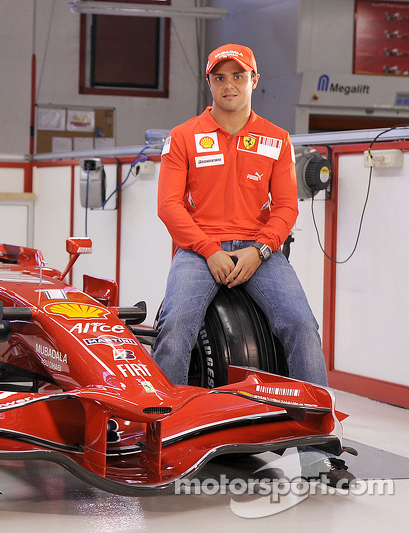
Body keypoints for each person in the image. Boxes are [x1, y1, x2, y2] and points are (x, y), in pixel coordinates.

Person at [153, 44, 355, 488]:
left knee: (302, 325)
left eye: (238, 76)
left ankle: (317, 453)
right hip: (197, 250)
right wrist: (209, 251)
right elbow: (169, 206)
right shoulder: (184, 135)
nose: (229, 85)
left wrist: (258, 251)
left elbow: (285, 208)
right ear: (210, 82)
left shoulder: (276, 138)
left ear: (254, 80)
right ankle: (158, 438)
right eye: (221, 77)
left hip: (260, 251)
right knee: (175, 325)